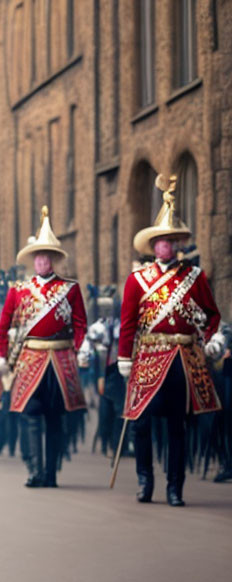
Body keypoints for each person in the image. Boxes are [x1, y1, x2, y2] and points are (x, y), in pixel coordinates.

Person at [118, 175, 222, 506]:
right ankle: (145, 481)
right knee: (141, 423)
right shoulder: (137, 280)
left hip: (182, 358)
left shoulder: (194, 276)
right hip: (148, 355)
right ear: (153, 246)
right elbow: (128, 322)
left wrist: (212, 339)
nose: (165, 246)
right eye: (160, 241)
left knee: (178, 425)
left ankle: (175, 486)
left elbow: (211, 314)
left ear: (177, 244)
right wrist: (124, 356)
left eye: (170, 241)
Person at [0, 207, 87, 488]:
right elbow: (3, 325)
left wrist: (81, 348)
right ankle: (34, 469)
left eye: (47, 257)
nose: (42, 261)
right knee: (30, 414)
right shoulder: (18, 290)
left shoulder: (70, 289)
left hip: (60, 359)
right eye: (38, 257)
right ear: (33, 260)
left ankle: (51, 473)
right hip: (30, 358)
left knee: (55, 418)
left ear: (53, 260)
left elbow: (80, 324)